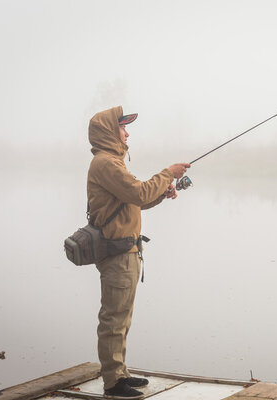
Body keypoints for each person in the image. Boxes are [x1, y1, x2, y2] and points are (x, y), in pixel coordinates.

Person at [87, 106, 190, 399]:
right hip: (117, 253)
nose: (127, 133)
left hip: (127, 252)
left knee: (122, 317)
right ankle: (112, 382)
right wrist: (168, 173)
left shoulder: (113, 163)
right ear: (110, 132)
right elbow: (139, 192)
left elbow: (137, 200)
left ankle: (119, 373)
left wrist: (161, 193)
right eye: (122, 128)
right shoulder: (106, 164)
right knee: (113, 318)